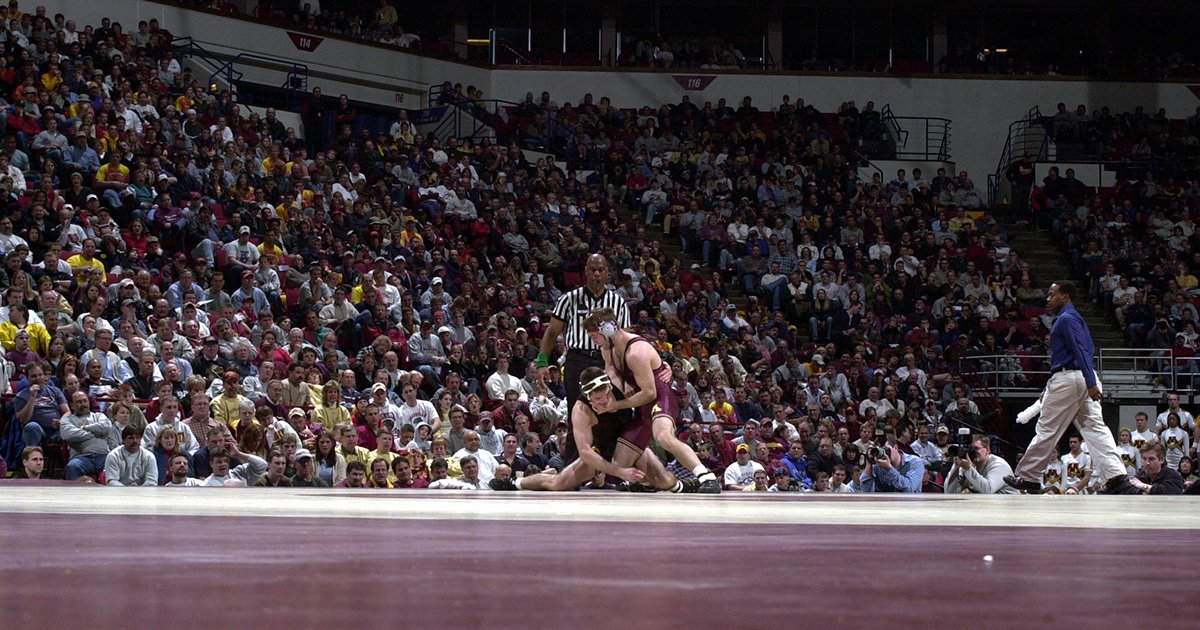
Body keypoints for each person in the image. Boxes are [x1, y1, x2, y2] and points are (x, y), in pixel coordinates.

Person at [1006, 282, 1131, 494]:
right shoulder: (1074, 318)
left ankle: (1029, 477)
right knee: (1095, 429)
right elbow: (1082, 352)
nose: (1047, 299)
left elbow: (1080, 351)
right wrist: (1087, 381)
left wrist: (1090, 382)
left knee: (1047, 428)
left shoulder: (1066, 319)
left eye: (1051, 294)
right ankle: (1117, 477)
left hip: (1072, 378)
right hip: (1078, 378)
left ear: (1064, 297)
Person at [492, 368, 702, 493]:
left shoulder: (621, 386)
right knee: (557, 484)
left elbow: (648, 374)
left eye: (606, 396)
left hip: (629, 442)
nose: (603, 402)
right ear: (587, 396)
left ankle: (682, 485)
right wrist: (619, 472)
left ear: (610, 387)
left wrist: (662, 367)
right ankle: (514, 482)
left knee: (663, 479)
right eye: (597, 399)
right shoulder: (581, 410)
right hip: (601, 449)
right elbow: (585, 452)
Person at [582, 308, 720, 492]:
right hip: (640, 406)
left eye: (594, 337)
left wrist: (616, 404)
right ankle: (672, 485)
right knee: (617, 468)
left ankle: (707, 477)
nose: (594, 341)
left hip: (659, 398)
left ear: (607, 330)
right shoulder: (608, 349)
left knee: (663, 436)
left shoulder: (636, 352)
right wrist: (624, 388)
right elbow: (612, 372)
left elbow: (649, 393)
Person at [535, 253, 630, 464]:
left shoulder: (618, 302)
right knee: (576, 413)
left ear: (607, 273)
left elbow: (626, 336)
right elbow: (551, 333)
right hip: (578, 360)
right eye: (592, 269)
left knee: (611, 413)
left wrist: (627, 369)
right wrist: (542, 362)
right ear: (585, 272)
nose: (597, 274)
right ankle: (573, 467)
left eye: (601, 270)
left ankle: (609, 469)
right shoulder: (568, 299)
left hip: (607, 361)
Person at [59, 390, 120, 480]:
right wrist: (96, 433)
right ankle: (72, 493)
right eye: (79, 402)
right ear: (72, 405)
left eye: (85, 401)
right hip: (81, 457)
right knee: (72, 466)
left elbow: (106, 427)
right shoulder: (67, 420)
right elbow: (68, 435)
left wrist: (84, 428)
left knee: (117, 463)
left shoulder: (99, 416)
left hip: (102, 455)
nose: (83, 404)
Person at [943, 434, 1018, 494]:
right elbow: (948, 491)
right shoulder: (966, 464)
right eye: (969, 449)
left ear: (988, 450)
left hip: (1009, 507)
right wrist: (955, 468)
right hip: (986, 507)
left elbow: (988, 490)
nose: (972, 452)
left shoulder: (999, 465)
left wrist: (969, 469)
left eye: (976, 448)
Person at [858, 431, 924, 493]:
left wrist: (889, 469)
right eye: (880, 451)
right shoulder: (879, 464)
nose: (884, 454)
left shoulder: (915, 462)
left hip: (909, 503)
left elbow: (909, 489)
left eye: (886, 450)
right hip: (885, 504)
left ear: (895, 447)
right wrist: (869, 463)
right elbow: (865, 492)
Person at [1112, 442, 1185, 495]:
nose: (1147, 463)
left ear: (1161, 460)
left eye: (1151, 459)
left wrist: (1143, 486)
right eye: (1144, 459)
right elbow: (1127, 490)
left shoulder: (1173, 476)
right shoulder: (1141, 474)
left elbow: (1168, 492)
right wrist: (1143, 492)